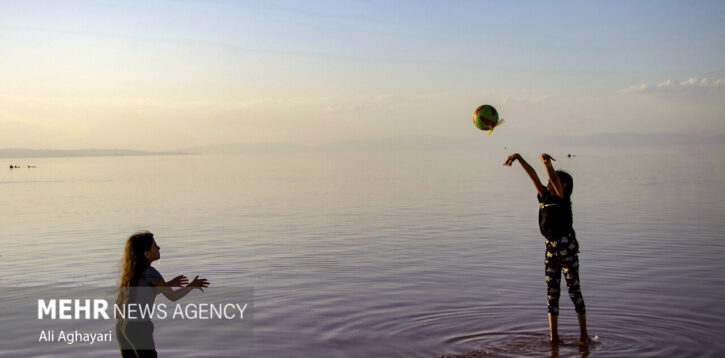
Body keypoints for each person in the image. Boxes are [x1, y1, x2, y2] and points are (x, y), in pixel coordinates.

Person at [503, 153, 590, 345]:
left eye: (555, 180)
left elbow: (550, 177)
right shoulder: (544, 195)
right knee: (552, 295)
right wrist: (518, 158)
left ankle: (584, 336)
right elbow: (533, 176)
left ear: (564, 185)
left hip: (567, 248)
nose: (549, 182)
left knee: (574, 291)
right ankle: (554, 338)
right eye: (551, 181)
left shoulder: (562, 198)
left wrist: (547, 164)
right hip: (550, 249)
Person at [116, 231, 210, 358]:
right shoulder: (151, 272)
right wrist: (192, 285)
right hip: (139, 327)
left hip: (122, 326)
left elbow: (143, 294)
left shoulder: (130, 272)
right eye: (155, 246)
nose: (159, 248)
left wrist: (168, 284)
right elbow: (173, 297)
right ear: (147, 254)